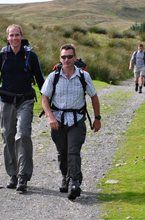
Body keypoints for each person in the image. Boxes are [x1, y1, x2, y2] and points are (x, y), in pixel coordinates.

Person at [0, 24, 45, 191]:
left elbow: (40, 79)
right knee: (8, 137)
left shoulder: (30, 56)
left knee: (23, 134)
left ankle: (23, 177)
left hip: (25, 100)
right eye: (11, 35)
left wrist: (48, 101)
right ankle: (12, 174)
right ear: (7, 38)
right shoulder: (1, 56)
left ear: (22, 36)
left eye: (17, 35)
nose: (14, 38)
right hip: (6, 101)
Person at [40, 44, 101, 200]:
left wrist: (97, 118)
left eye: (69, 56)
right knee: (62, 152)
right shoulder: (53, 76)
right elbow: (44, 99)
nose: (66, 59)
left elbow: (94, 97)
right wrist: (51, 117)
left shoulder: (83, 76)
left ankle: (75, 183)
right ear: (60, 59)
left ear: (75, 58)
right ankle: (65, 177)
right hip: (58, 122)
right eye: (63, 57)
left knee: (73, 150)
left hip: (77, 120)